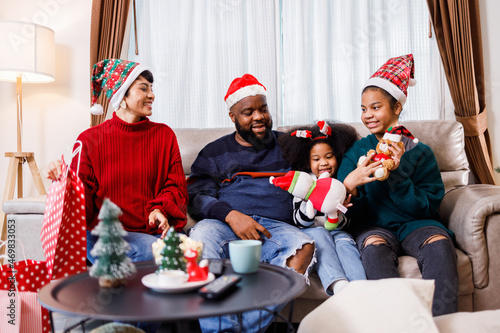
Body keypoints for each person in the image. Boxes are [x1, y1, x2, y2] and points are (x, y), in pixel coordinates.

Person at [187, 74, 316, 332]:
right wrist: (231, 216)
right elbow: (196, 196)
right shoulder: (214, 152)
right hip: (226, 226)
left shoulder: (290, 145)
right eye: (248, 112)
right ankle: (219, 329)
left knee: (303, 247)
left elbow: (319, 174)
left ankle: (244, 329)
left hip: (276, 229)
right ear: (233, 117)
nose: (259, 116)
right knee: (200, 238)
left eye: (263, 109)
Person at [336, 54, 458, 316]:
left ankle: (443, 324)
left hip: (418, 223)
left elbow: (428, 207)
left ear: (396, 108)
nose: (367, 115)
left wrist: (398, 171)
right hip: (374, 225)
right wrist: (350, 186)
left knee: (439, 243)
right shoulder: (357, 151)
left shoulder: (421, 152)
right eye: (363, 108)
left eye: (376, 107)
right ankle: (392, 324)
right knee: (373, 247)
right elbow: (347, 214)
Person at [45, 59, 188, 264]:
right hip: (104, 234)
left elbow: (176, 186)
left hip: (153, 234)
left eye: (151, 88)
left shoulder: (164, 136)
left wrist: (159, 209)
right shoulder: (88, 140)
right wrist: (64, 180)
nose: (152, 95)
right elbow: (80, 205)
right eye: (143, 88)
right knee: (152, 252)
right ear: (122, 94)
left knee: (181, 250)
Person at [277, 121, 367, 295]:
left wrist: (337, 214)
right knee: (318, 236)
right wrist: (309, 203)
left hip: (338, 232)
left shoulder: (340, 183)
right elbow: (299, 221)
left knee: (345, 242)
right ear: (307, 162)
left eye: (329, 156)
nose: (323, 163)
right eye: (316, 159)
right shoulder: (303, 185)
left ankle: (359, 286)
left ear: (337, 156)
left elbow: (345, 222)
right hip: (313, 230)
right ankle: (337, 283)